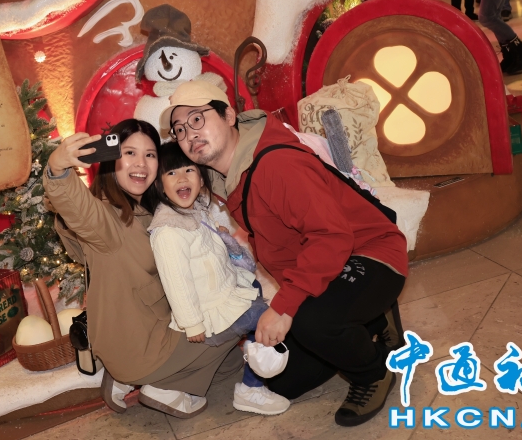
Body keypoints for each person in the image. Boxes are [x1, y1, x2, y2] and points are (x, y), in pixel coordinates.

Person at [162, 80, 408, 427]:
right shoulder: (229, 177)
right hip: (325, 266)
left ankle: (373, 373)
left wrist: (284, 306)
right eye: (180, 129)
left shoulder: (275, 164)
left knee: (310, 321)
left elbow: (332, 237)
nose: (190, 135)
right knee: (282, 381)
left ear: (229, 115)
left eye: (198, 119)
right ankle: (370, 319)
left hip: (369, 253)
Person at [44, 119, 243, 419]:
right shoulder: (106, 218)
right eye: (129, 153)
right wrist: (57, 170)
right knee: (242, 313)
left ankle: (126, 378)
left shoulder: (151, 210)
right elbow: (79, 208)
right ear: (112, 159)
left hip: (155, 327)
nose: (141, 163)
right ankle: (161, 387)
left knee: (230, 366)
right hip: (140, 345)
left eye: (150, 155)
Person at [149, 142, 290, 416]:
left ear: (201, 179)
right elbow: (177, 282)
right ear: (160, 185)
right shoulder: (168, 230)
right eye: (171, 173)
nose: (182, 178)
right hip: (209, 312)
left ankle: (254, 358)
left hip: (222, 293)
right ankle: (251, 388)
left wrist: (221, 237)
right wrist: (192, 323)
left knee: (255, 287)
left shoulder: (194, 210)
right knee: (267, 318)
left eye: (189, 170)